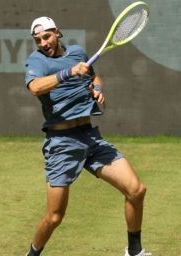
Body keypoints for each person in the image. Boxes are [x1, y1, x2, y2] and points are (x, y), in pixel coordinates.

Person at [24, 17, 151, 256]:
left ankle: (134, 251)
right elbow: (35, 88)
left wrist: (97, 89)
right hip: (62, 144)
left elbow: (92, 76)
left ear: (57, 33)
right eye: (38, 39)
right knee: (54, 217)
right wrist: (69, 72)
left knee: (136, 190)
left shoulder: (77, 52)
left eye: (47, 36)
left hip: (90, 138)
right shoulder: (36, 61)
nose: (43, 43)